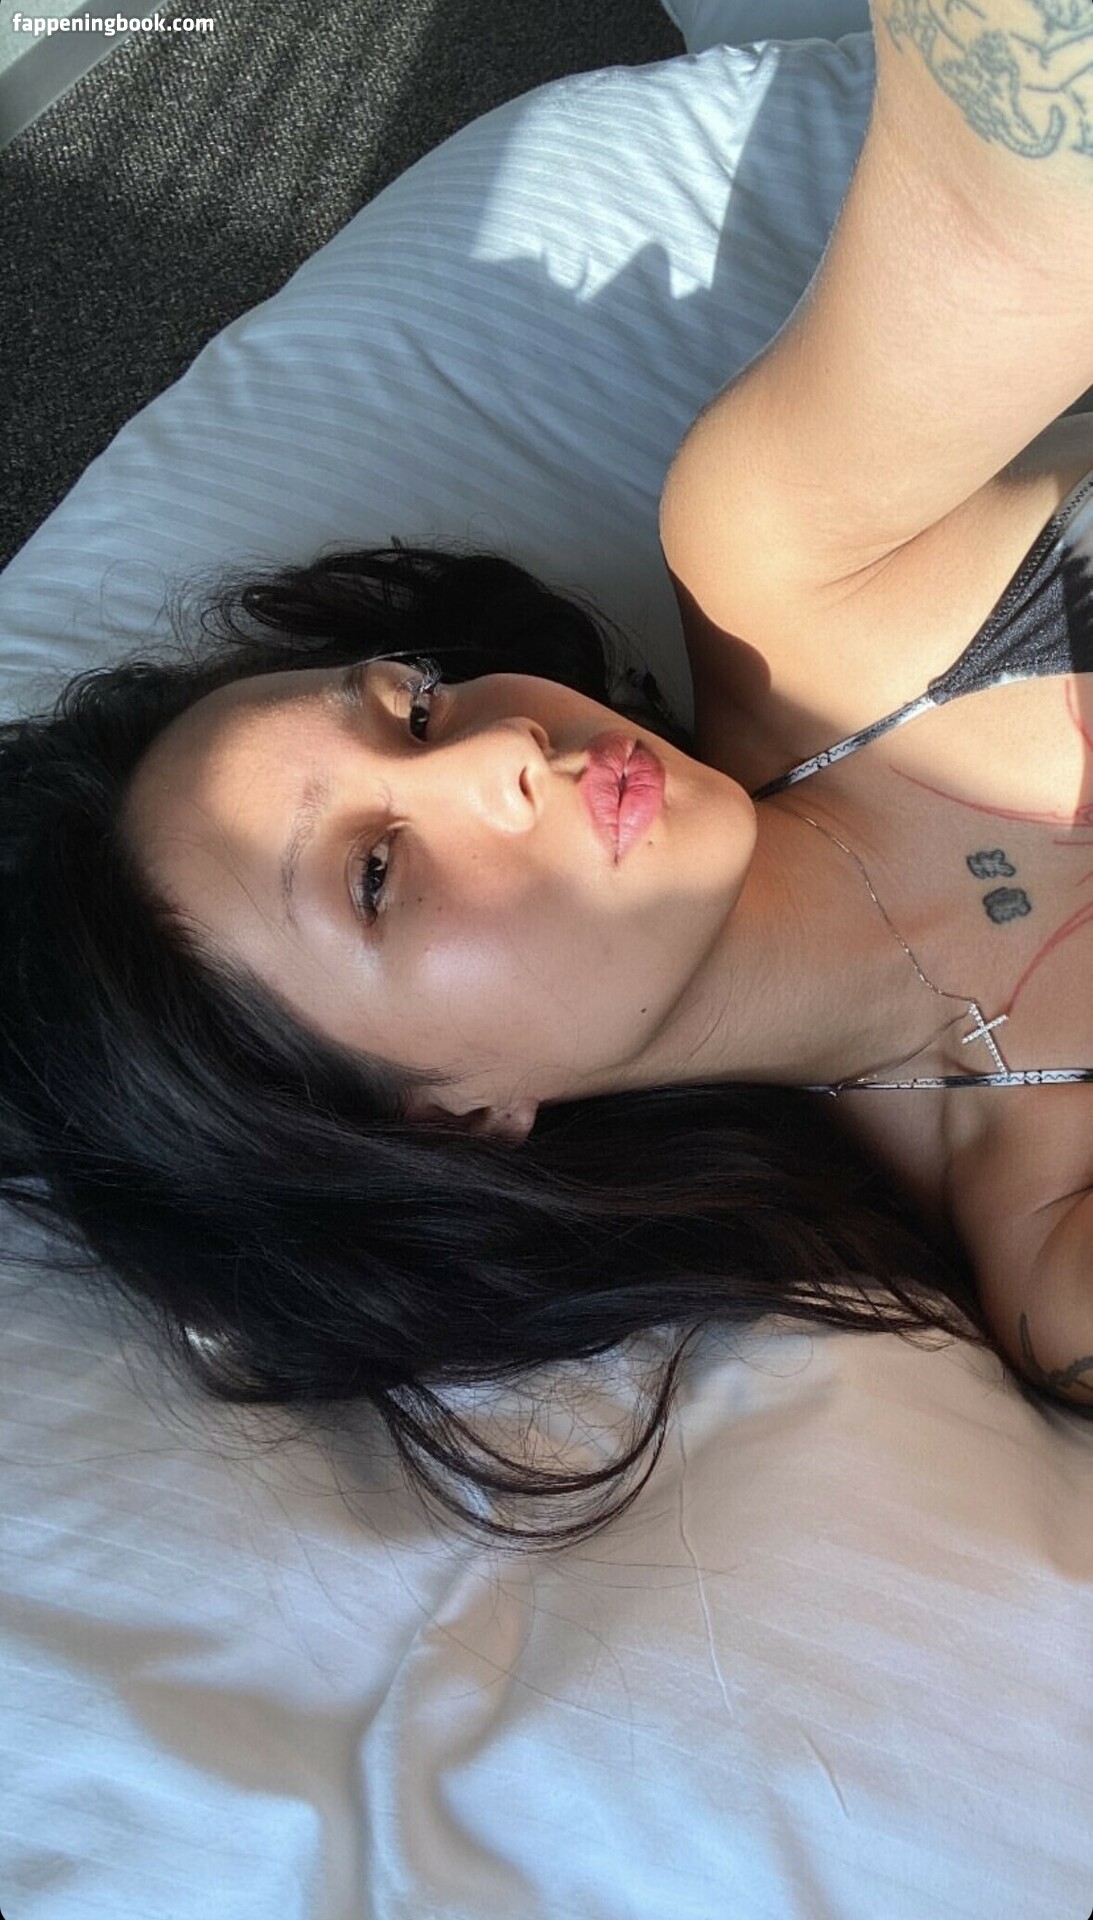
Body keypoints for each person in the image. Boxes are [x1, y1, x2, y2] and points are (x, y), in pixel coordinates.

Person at [3, 0, 1092, 1548]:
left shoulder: (781, 561)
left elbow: (1024, 156)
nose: (502, 753)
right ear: (448, 1122)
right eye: (376, 875)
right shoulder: (1053, 1253)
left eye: (414, 709)